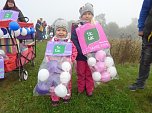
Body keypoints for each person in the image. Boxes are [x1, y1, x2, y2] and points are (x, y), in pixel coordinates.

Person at [48, 19, 77, 106]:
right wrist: (49, 61)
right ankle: (55, 98)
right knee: (54, 82)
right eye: (58, 30)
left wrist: (71, 60)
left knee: (66, 81)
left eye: (63, 30)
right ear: (55, 31)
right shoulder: (52, 42)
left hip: (66, 68)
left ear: (66, 32)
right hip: (55, 67)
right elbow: (48, 53)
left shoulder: (69, 42)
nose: (61, 32)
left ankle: (66, 96)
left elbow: (75, 51)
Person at [71, 3, 95, 96]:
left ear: (92, 15)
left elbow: (98, 39)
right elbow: (74, 39)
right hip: (81, 55)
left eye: (89, 14)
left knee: (89, 72)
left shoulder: (95, 26)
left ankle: (89, 89)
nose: (87, 16)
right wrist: (81, 51)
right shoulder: (76, 26)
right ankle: (81, 88)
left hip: (92, 55)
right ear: (81, 15)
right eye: (85, 14)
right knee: (81, 72)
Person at [129, 0, 152, 91]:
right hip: (149, 33)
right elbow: (144, 10)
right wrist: (141, 27)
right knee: (145, 60)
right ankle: (140, 83)